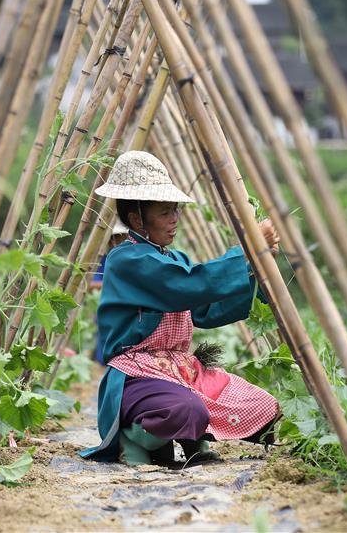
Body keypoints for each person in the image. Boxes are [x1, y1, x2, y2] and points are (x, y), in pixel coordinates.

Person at [79, 150, 281, 466]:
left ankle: (184, 438)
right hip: (138, 376)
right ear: (136, 219)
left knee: (264, 407)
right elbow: (187, 287)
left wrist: (255, 271)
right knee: (187, 409)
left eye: (175, 211)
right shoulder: (127, 260)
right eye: (164, 213)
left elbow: (206, 309)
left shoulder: (174, 259)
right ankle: (136, 437)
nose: (174, 219)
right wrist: (247, 251)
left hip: (180, 371)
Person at [90, 220, 129, 365]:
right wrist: (112, 282)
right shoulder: (104, 260)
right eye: (120, 238)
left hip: (127, 311)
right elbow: (91, 284)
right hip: (108, 308)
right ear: (112, 240)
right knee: (105, 351)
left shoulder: (132, 259)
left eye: (125, 237)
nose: (124, 241)